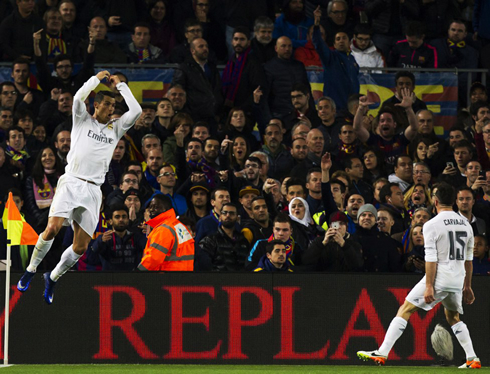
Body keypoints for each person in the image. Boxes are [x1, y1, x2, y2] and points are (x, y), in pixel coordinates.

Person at [17, 70, 142, 304]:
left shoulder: (115, 128)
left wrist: (121, 86)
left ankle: (52, 277)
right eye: (107, 104)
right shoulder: (82, 118)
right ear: (96, 104)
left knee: (81, 247)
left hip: (94, 190)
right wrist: (96, 79)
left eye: (114, 105)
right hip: (72, 181)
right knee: (52, 229)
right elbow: (77, 98)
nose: (112, 109)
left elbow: (136, 111)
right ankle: (31, 270)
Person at [357, 182, 481, 369]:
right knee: (453, 317)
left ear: (435, 201)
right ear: (455, 201)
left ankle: (382, 353)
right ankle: (472, 358)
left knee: (405, 309)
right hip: (457, 278)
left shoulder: (432, 224)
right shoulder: (466, 224)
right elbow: (468, 261)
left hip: (440, 276)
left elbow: (431, 259)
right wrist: (467, 286)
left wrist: (430, 285)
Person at [312, 6, 359, 111]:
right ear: (334, 44)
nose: (341, 41)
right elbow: (319, 44)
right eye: (338, 39)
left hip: (351, 108)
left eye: (344, 38)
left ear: (349, 42)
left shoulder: (352, 60)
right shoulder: (330, 57)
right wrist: (316, 25)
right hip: (336, 109)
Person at [138, 194, 194, 271]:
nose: (151, 209)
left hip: (168, 278)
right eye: (150, 207)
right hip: (184, 276)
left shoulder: (163, 229)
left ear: (167, 209)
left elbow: (153, 259)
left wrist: (138, 273)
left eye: (156, 207)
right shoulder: (179, 226)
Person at [197, 202, 250, 271]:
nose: (228, 215)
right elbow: (202, 266)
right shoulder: (209, 241)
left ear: (237, 218)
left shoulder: (243, 241)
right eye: (224, 213)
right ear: (220, 217)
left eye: (232, 213)